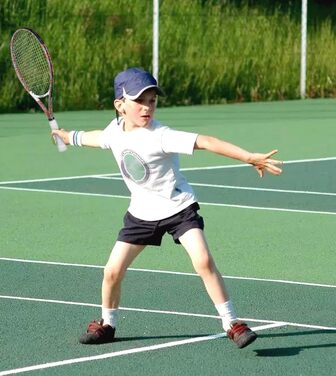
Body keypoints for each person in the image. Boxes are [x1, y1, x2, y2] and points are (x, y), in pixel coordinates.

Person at [52, 67, 283, 349]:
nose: (147, 107)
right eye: (139, 100)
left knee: (203, 262)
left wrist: (249, 157)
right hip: (141, 214)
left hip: (178, 209)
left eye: (152, 100)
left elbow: (206, 142)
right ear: (120, 105)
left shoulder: (162, 135)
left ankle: (232, 323)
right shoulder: (115, 131)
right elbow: (96, 137)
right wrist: (69, 137)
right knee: (111, 272)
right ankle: (108, 324)